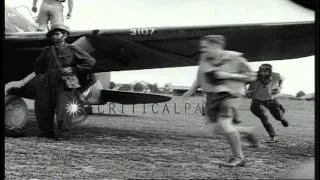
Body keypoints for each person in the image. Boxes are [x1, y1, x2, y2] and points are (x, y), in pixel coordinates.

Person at [183, 35, 259, 167]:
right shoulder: (204, 58)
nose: (203, 50)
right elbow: (201, 74)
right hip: (212, 96)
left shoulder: (236, 58)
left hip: (231, 94)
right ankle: (246, 131)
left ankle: (238, 158)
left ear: (216, 46)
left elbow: (252, 76)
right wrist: (192, 89)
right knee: (214, 130)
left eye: (205, 47)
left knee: (224, 123)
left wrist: (228, 75)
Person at [33, 24, 96, 140]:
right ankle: (46, 132)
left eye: (57, 34)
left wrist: (74, 69)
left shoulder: (72, 48)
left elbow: (90, 61)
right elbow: (38, 65)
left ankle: (63, 134)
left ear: (65, 35)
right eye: (52, 34)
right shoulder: (47, 50)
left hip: (64, 82)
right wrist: (41, 75)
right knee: (43, 107)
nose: (54, 37)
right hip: (47, 82)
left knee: (63, 109)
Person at [246, 64, 289, 143]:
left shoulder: (276, 75)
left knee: (278, 116)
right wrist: (247, 91)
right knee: (264, 117)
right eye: (262, 71)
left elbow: (282, 79)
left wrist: (279, 87)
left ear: (270, 71)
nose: (263, 73)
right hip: (257, 100)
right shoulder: (254, 76)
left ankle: (282, 118)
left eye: (266, 71)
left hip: (271, 99)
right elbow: (243, 82)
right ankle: (273, 136)